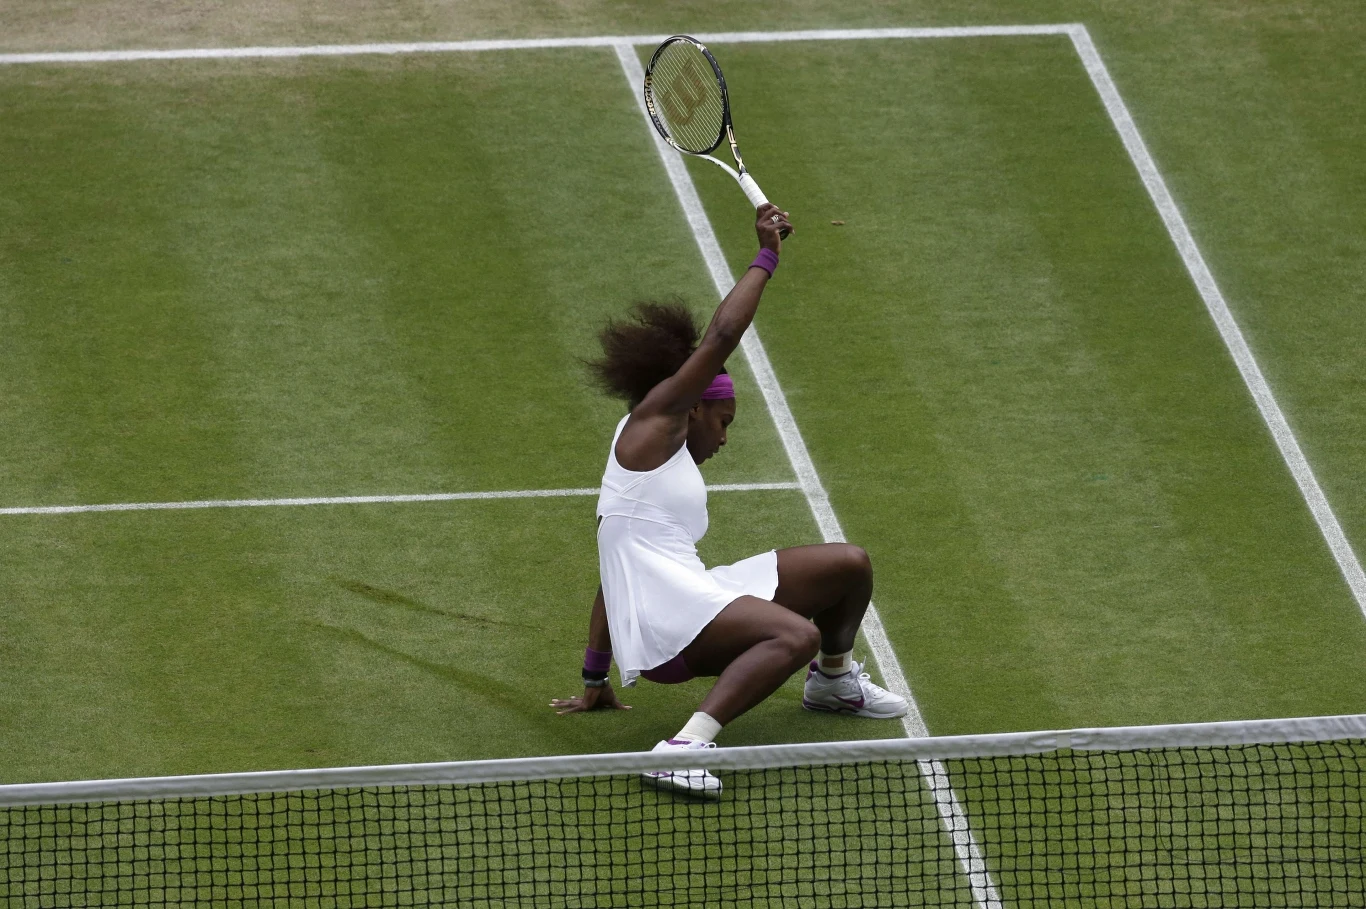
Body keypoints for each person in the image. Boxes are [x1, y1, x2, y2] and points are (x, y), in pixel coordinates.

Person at [551, 203, 906, 795]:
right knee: (795, 636)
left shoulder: (657, 455)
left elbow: (612, 573)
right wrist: (765, 256)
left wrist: (594, 675)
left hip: (691, 594)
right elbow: (722, 335)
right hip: (670, 628)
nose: (724, 437)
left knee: (849, 564)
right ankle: (683, 746)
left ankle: (833, 685)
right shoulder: (653, 426)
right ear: (691, 407)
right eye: (723, 421)